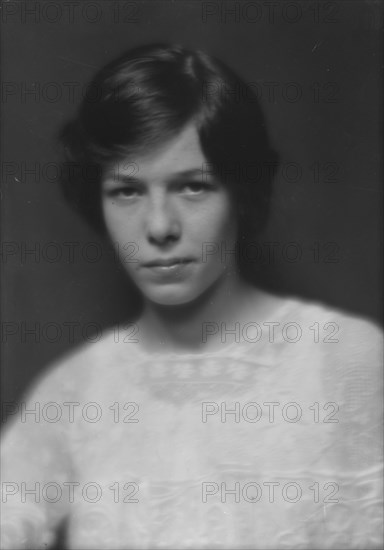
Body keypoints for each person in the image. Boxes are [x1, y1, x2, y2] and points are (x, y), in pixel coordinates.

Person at [1, 43, 382, 549]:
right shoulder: (76, 390)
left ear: (242, 193)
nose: (159, 227)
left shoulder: (348, 361)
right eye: (127, 192)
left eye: (193, 187)